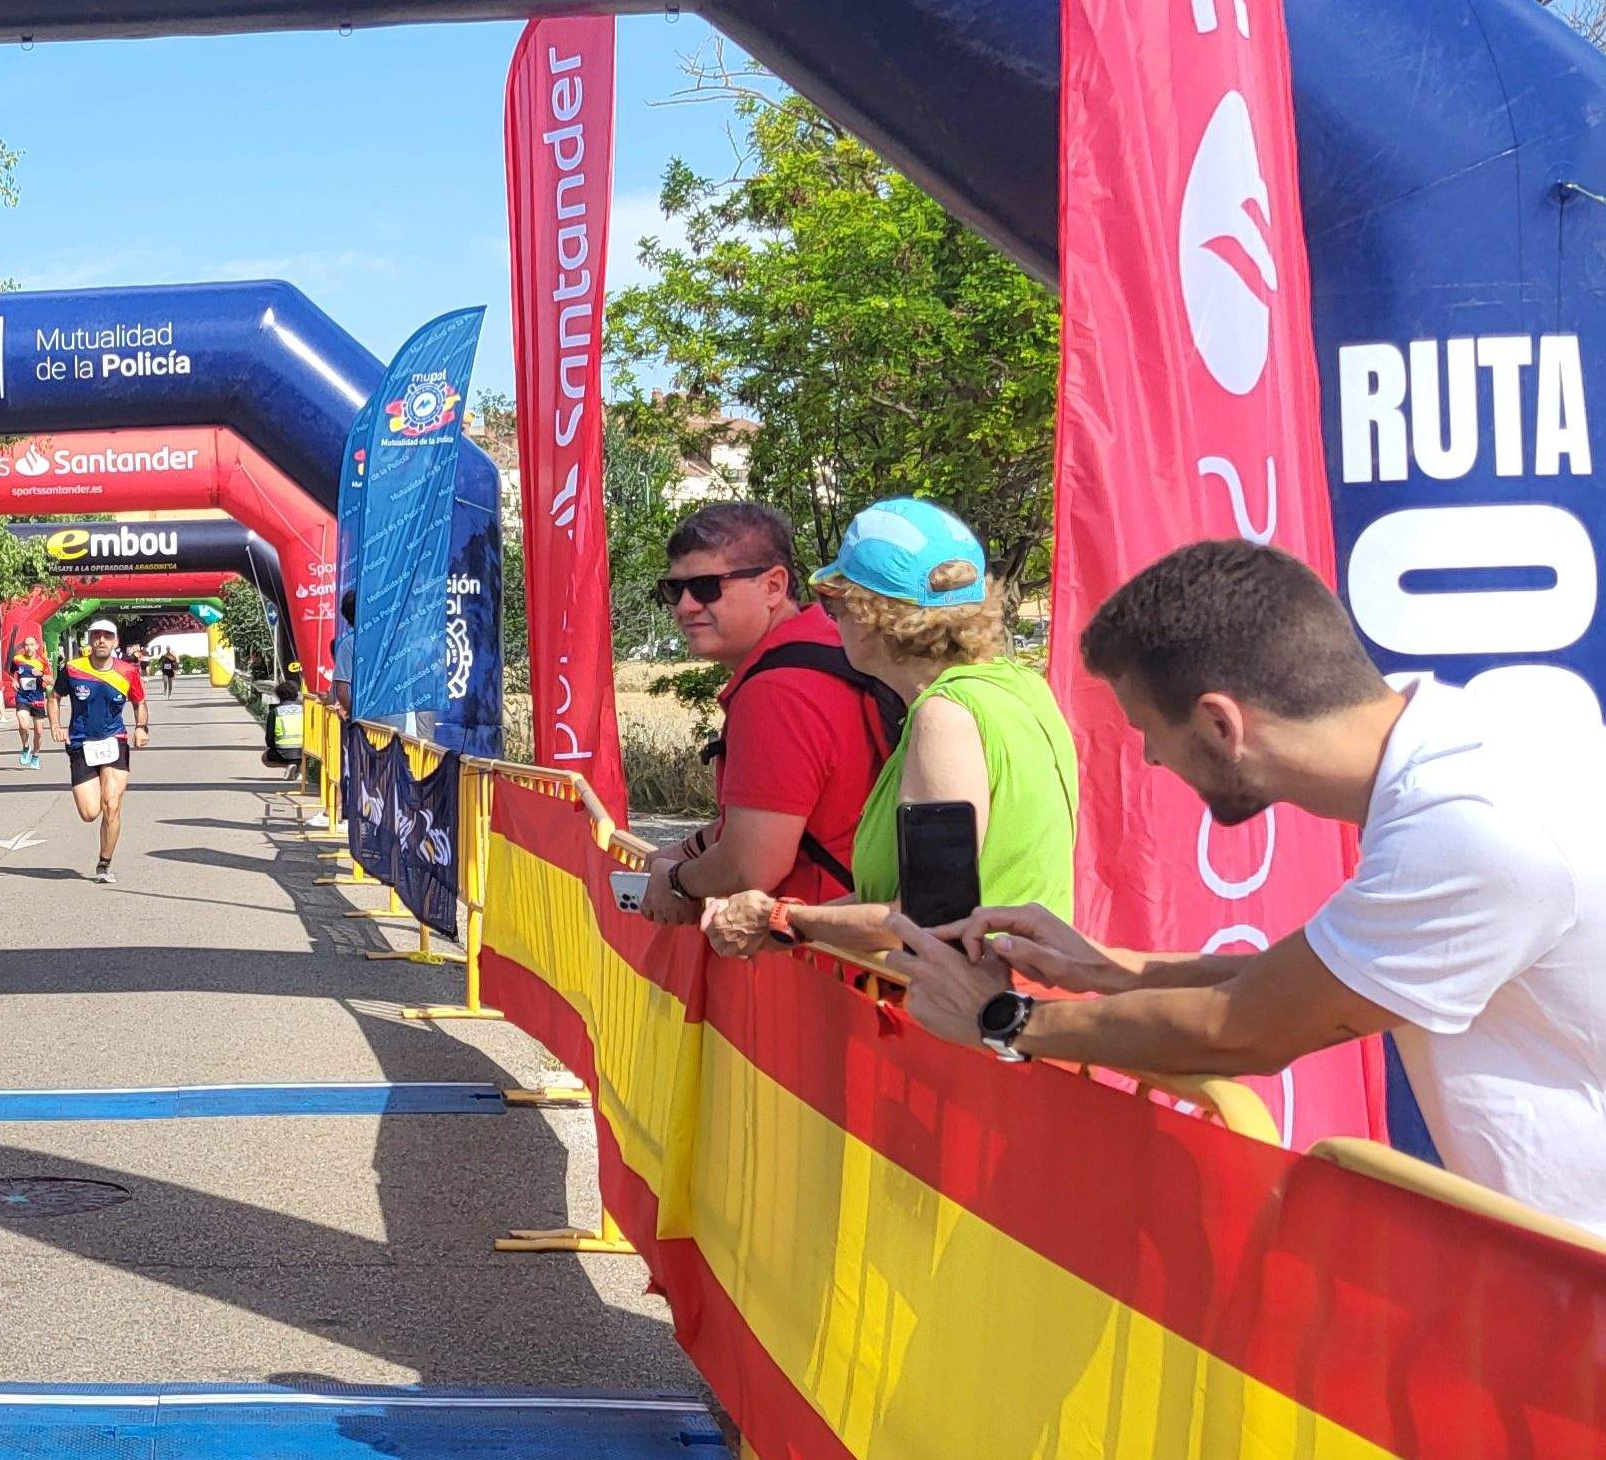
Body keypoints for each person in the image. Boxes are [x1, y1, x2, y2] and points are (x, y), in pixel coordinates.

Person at [880, 540, 1606, 1235]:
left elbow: (1243, 1031)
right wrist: (1106, 967)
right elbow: (1313, 977)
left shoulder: (1468, 829)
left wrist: (1003, 1019)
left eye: (1148, 731)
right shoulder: (1491, 733)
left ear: (1220, 723)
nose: (1151, 759)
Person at [701, 500, 1077, 961]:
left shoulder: (944, 718)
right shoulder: (1022, 688)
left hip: (972, 1010)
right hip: (1023, 995)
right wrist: (793, 918)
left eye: (833, 602)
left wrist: (782, 919)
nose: (829, 618)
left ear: (873, 613)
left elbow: (930, 918)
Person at [635, 501, 898, 930]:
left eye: (705, 586)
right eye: (672, 590)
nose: (685, 606)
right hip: (862, 941)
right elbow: (773, 819)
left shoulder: (775, 693)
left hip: (822, 958)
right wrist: (686, 848)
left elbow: (752, 865)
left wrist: (678, 882)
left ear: (774, 586)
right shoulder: (833, 646)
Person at [60, 619, 151, 882]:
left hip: (115, 740)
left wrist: (141, 727)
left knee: (112, 805)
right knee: (90, 813)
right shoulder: (73, 669)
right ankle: (96, 789)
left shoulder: (127, 671)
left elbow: (139, 701)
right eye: (96, 635)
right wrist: (55, 725)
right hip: (81, 742)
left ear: (115, 642)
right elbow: (55, 696)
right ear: (90, 640)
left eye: (107, 636)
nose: (101, 640)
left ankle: (104, 864)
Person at [8, 642, 52, 769]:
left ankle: (35, 755)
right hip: (23, 698)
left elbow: (51, 680)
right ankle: (26, 747)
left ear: (36, 647)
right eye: (26, 645)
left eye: (31, 645)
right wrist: (14, 681)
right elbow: (12, 673)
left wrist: (41, 675)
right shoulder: (17, 659)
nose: (28, 647)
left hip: (37, 699)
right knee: (23, 725)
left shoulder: (42, 661)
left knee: (39, 732)